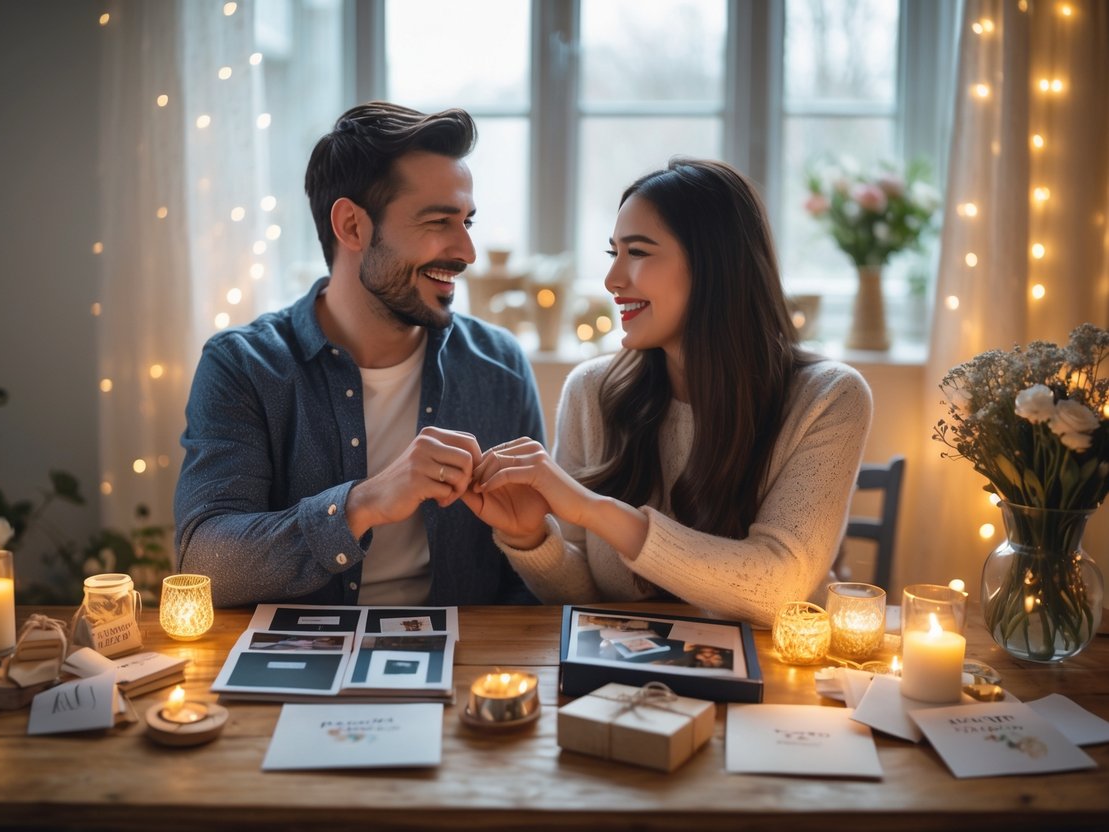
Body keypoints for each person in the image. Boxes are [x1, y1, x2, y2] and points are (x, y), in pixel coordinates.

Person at [466, 158, 873, 628]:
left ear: (714, 266)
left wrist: (593, 510)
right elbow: (589, 595)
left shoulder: (829, 398)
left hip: (771, 688)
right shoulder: (591, 392)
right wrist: (530, 539)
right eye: (613, 253)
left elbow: (778, 589)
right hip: (623, 685)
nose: (612, 280)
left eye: (637, 252)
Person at [174, 102, 544, 608]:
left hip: (465, 665)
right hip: (300, 667)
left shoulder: (499, 366)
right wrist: (362, 503)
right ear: (351, 226)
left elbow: (526, 585)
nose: (466, 251)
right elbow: (205, 563)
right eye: (439, 221)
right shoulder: (243, 366)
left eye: (467, 223)